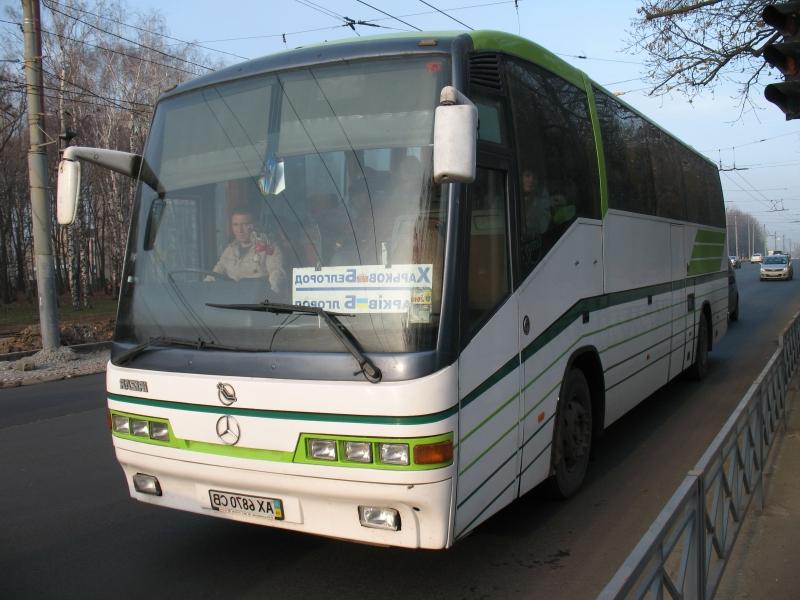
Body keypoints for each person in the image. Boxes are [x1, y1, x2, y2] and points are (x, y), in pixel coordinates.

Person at [212, 209, 287, 293]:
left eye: (244, 225)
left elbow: (276, 273)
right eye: (235, 225)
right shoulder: (229, 250)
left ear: (253, 226)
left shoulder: (268, 248)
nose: (240, 230)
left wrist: (271, 294)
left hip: (256, 301)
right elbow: (215, 275)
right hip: (231, 299)